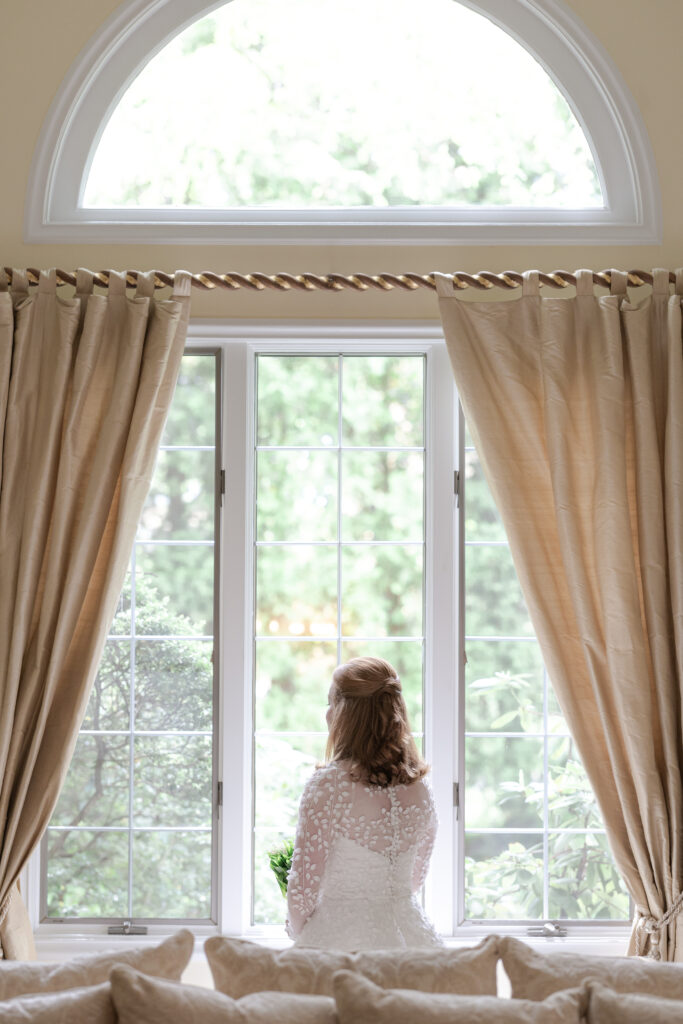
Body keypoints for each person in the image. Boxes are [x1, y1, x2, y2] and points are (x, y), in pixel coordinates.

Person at [286, 656, 442, 949]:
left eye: (331, 703)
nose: (327, 714)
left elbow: (302, 893)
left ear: (347, 713)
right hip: (414, 940)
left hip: (340, 941)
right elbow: (415, 879)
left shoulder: (329, 785)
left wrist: (305, 936)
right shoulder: (421, 788)